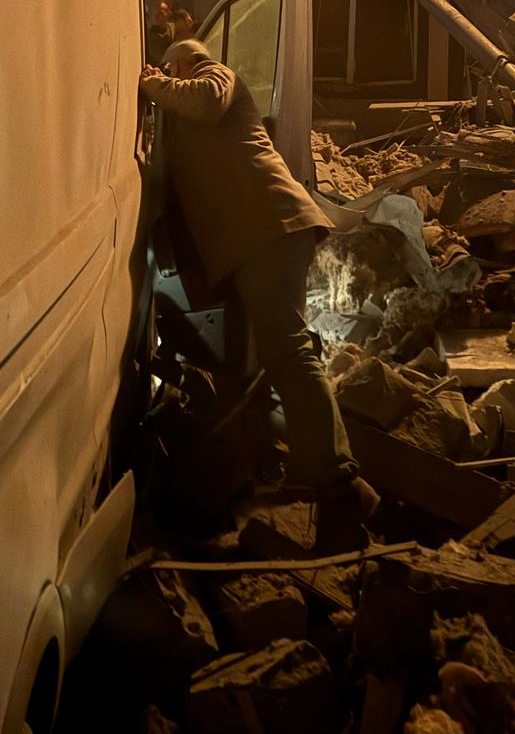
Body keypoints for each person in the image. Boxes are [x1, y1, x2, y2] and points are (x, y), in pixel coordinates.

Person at [140, 38, 378, 548]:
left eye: (169, 70)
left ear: (182, 63)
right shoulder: (183, 117)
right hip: (252, 246)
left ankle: (338, 481)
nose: (165, 79)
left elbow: (204, 98)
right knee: (258, 359)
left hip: (272, 231)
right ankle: (279, 464)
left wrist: (153, 83)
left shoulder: (215, 77)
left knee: (287, 350)